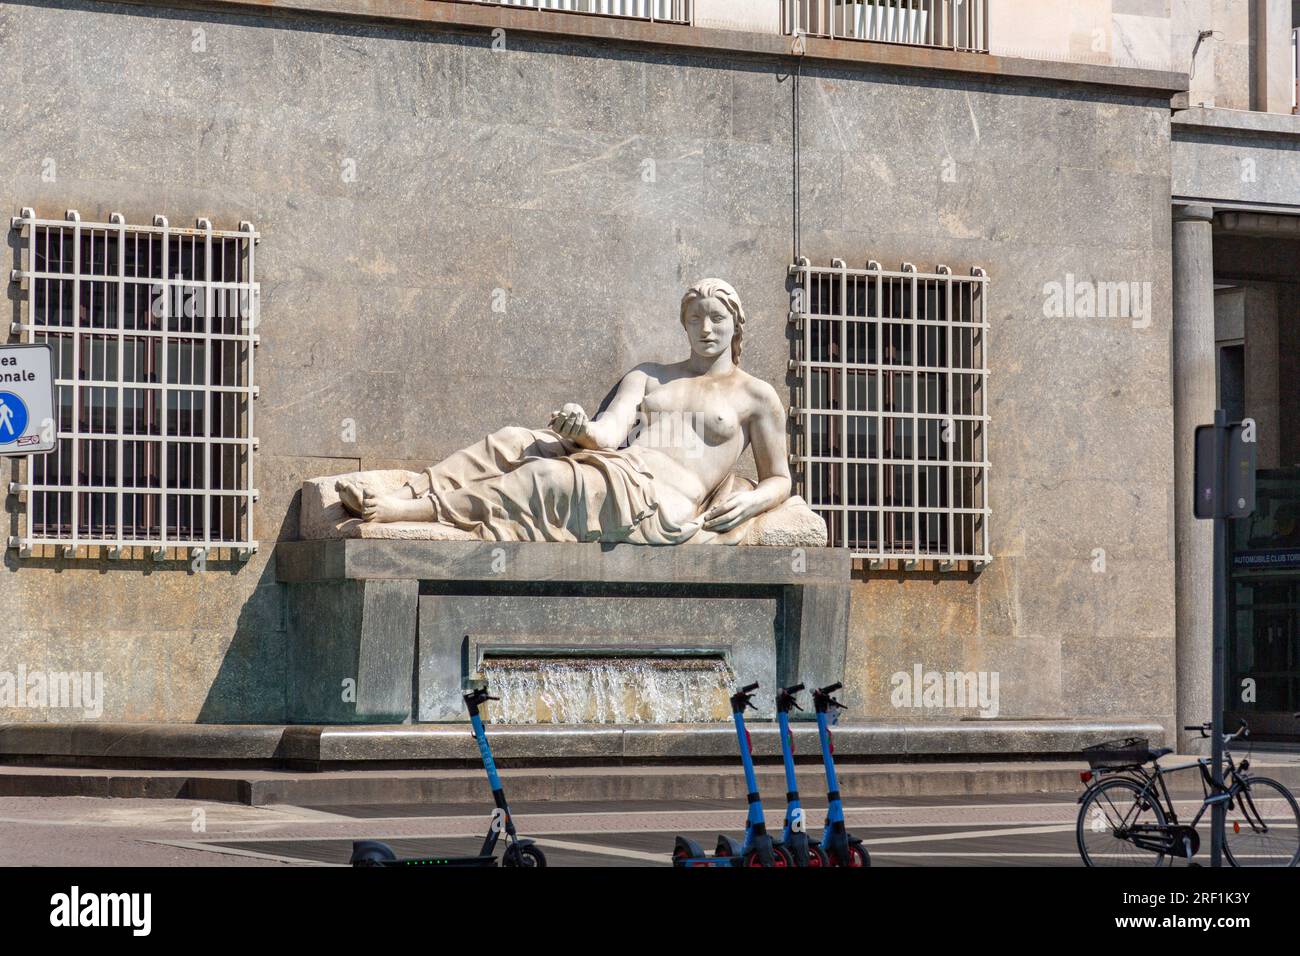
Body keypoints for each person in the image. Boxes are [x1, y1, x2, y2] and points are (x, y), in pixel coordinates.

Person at [336, 278, 792, 544]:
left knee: (545, 477)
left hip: (661, 502)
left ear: (736, 324)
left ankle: (406, 513)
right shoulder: (650, 374)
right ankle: (415, 488)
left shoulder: (756, 395)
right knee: (516, 439)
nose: (706, 328)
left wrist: (752, 501)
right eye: (695, 318)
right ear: (683, 323)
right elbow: (609, 435)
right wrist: (580, 429)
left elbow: (780, 478)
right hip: (619, 465)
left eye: (717, 318)